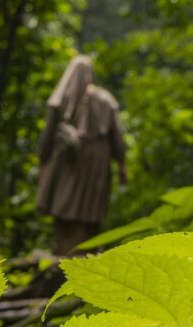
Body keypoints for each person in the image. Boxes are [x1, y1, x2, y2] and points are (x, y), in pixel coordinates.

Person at [37, 55, 127, 256]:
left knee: (66, 209)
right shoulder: (106, 100)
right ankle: (82, 255)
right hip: (97, 166)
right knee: (89, 214)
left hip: (70, 166)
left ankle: (68, 256)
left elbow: (47, 137)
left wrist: (43, 163)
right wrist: (122, 165)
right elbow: (118, 138)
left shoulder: (60, 99)